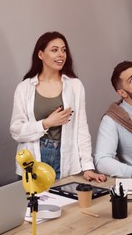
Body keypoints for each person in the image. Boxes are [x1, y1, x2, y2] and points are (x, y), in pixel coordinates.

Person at [10, 31, 106, 182]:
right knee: (34, 205)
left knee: (66, 204)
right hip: (34, 157)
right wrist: (46, 123)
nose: (61, 54)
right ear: (40, 54)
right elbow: (16, 130)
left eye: (64, 50)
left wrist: (88, 167)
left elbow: (81, 129)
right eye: (54, 50)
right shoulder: (24, 88)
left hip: (66, 157)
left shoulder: (75, 86)